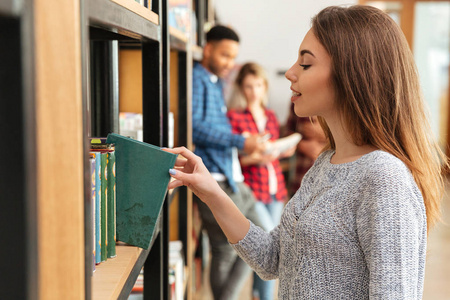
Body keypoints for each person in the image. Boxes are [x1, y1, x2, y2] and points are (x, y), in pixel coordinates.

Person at [166, 5, 446, 299]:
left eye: (306, 64)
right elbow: (272, 258)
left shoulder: (384, 179)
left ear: (351, 74)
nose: (289, 73)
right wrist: (210, 190)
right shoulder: (326, 162)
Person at [191, 25, 265, 300]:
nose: (229, 63)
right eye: (224, 55)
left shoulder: (215, 82)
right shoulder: (197, 79)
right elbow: (195, 126)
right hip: (216, 180)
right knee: (224, 251)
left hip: (232, 178)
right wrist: (239, 140)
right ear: (208, 49)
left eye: (233, 57)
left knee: (261, 240)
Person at [227, 62, 293, 300]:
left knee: (269, 251)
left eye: (258, 85)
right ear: (241, 88)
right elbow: (232, 161)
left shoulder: (270, 116)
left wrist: (280, 151)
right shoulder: (234, 117)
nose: (254, 91)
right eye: (248, 86)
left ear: (264, 87)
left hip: (275, 190)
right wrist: (254, 157)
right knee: (265, 245)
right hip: (252, 190)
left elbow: (273, 148)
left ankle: (260, 295)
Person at [281, 105, 326, 195]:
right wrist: (301, 145)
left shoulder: (341, 97)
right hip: (300, 180)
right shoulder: (297, 100)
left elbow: (352, 137)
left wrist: (325, 134)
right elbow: (287, 134)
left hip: (328, 183)